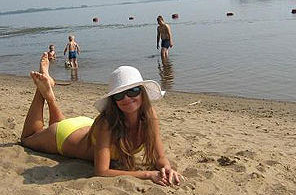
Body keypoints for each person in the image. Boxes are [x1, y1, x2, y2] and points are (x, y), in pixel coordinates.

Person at [20, 53, 182, 186]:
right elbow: (101, 171)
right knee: (27, 139)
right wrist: (148, 174)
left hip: (87, 127)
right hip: (64, 136)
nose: (127, 98)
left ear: (142, 92)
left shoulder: (149, 115)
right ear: (113, 100)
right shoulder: (108, 123)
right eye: (119, 94)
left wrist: (166, 169)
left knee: (58, 123)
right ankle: (41, 91)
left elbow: (160, 157)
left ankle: (49, 95)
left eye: (133, 91)